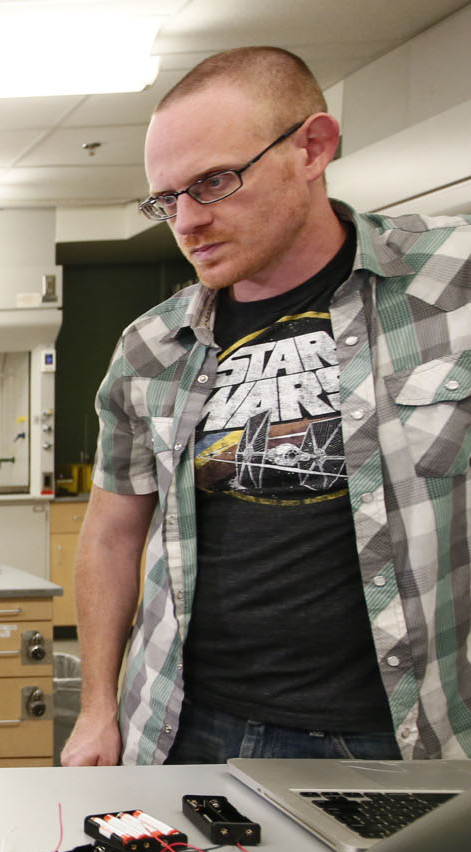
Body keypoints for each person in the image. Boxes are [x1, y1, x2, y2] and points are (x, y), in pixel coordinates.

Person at [62, 46, 471, 767]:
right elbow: (110, 537)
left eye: (214, 182)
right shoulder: (152, 348)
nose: (185, 222)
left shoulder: (452, 285)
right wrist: (98, 707)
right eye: (166, 199)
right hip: (193, 726)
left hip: (402, 732)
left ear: (312, 146)